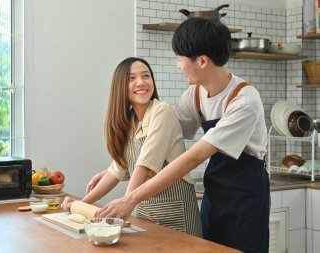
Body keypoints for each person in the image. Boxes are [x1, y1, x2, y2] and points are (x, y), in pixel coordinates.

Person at [93, 18, 270, 253]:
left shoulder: (244, 100)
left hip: (246, 197)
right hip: (215, 193)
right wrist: (114, 168)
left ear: (203, 61)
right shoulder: (195, 95)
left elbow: (193, 157)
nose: (178, 66)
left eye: (180, 59)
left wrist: (132, 198)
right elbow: (162, 136)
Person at [61, 57, 202, 237]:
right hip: (145, 217)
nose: (141, 82)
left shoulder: (162, 111)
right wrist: (80, 204)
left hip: (177, 216)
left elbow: (145, 165)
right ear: (120, 86)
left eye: (146, 76)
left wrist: (126, 204)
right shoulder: (128, 121)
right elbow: (116, 170)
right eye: (132, 78)